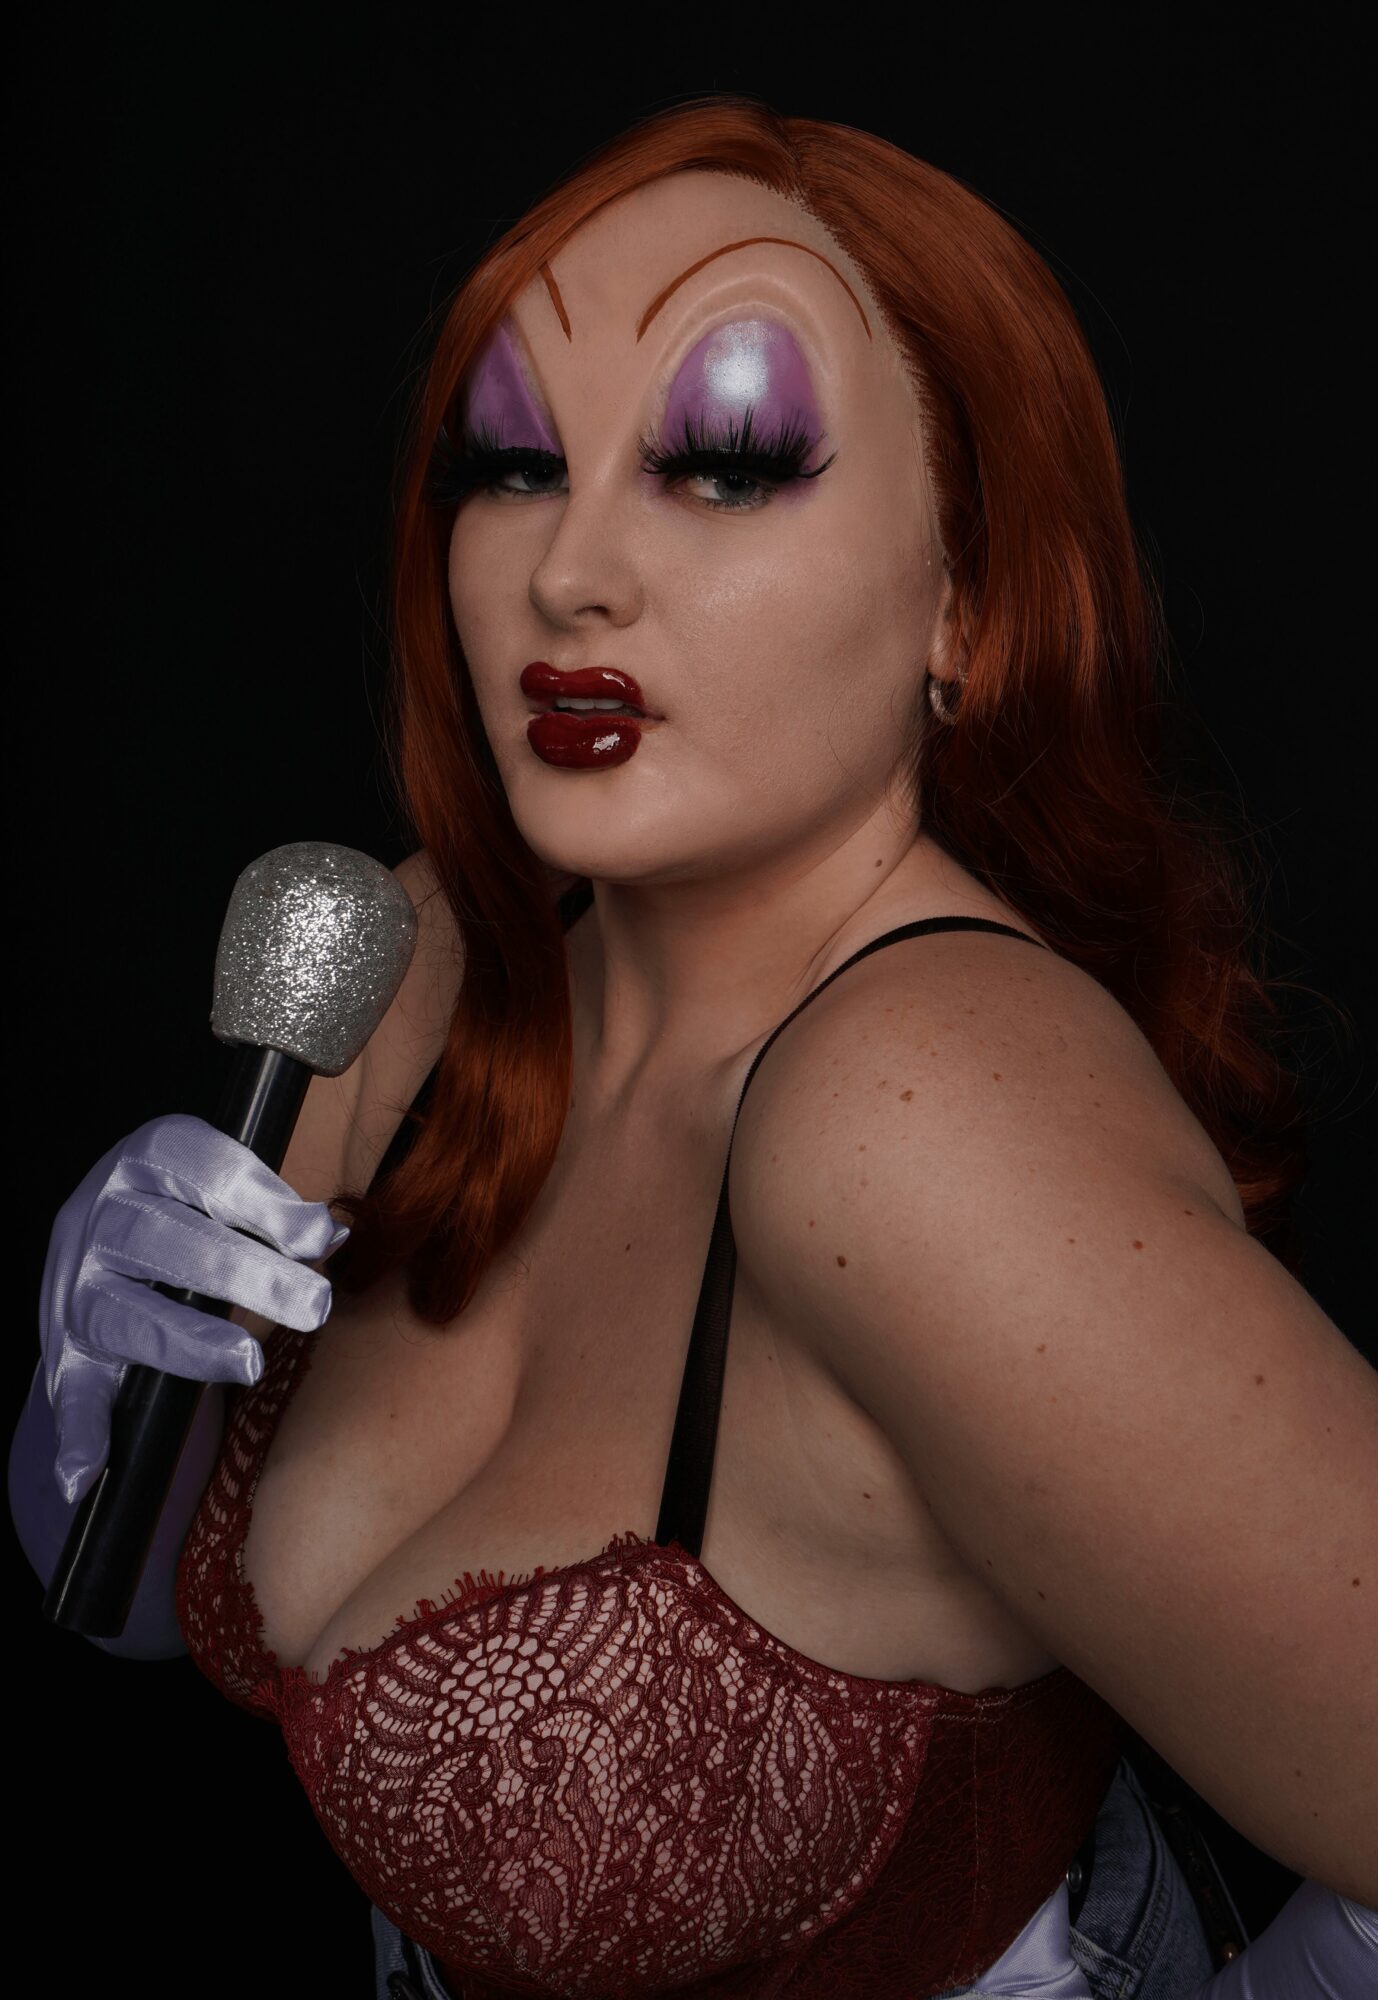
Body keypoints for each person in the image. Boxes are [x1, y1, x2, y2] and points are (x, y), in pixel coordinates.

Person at [12, 96, 1377, 1999]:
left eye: (725, 465)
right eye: (512, 461)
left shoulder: (920, 1117)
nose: (567, 570)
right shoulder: (416, 954)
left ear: (966, 596)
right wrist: (95, 1377)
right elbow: (131, 1604)